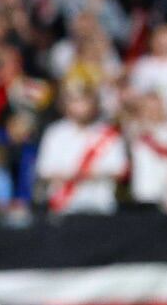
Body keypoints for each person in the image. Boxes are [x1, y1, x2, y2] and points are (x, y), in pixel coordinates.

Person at [35, 85, 128, 216]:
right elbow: (44, 170)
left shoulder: (109, 133)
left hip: (101, 206)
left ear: (95, 104)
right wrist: (69, 175)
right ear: (66, 105)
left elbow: (120, 170)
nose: (81, 107)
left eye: (86, 101)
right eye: (75, 101)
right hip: (64, 208)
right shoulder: (55, 133)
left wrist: (88, 174)